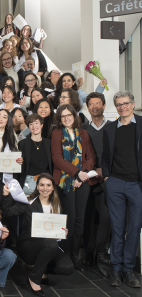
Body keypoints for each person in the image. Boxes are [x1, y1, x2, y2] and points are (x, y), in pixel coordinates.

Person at [1, 174, 74, 296]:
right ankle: (34, 278)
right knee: (51, 243)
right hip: (28, 246)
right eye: (42, 185)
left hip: (48, 246)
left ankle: (39, 268)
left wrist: (62, 232)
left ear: (53, 187)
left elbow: (55, 230)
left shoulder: (57, 205)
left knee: (67, 267)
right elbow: (6, 212)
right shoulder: (28, 202)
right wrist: (5, 195)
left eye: (48, 185)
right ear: (37, 187)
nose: (45, 188)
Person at [102, 91, 142, 288]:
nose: (122, 107)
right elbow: (105, 155)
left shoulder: (141, 124)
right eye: (118, 104)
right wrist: (107, 177)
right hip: (115, 183)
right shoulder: (109, 129)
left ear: (133, 104)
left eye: (126, 103)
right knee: (117, 229)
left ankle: (129, 270)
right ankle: (116, 270)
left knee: (134, 228)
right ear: (115, 107)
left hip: (137, 184)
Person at [51, 104, 96, 271]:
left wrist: (82, 174)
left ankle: (75, 255)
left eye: (69, 115)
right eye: (63, 116)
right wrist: (76, 173)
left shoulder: (83, 134)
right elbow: (57, 159)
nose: (66, 118)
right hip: (65, 180)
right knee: (69, 219)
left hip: (82, 181)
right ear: (59, 119)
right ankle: (65, 254)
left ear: (74, 116)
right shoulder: (57, 134)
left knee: (80, 219)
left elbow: (91, 156)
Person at [81, 92, 111, 277]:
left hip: (108, 178)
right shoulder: (83, 128)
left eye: (97, 103)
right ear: (87, 107)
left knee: (106, 218)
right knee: (88, 217)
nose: (94, 106)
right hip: (88, 177)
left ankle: (101, 252)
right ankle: (89, 252)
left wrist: (105, 172)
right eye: (91, 104)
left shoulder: (113, 127)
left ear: (104, 105)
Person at [17, 114, 52, 195]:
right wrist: (19, 162)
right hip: (28, 182)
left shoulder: (48, 143)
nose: (34, 126)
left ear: (41, 125)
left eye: (36, 123)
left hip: (45, 182)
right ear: (28, 127)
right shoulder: (22, 144)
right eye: (31, 124)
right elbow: (18, 165)